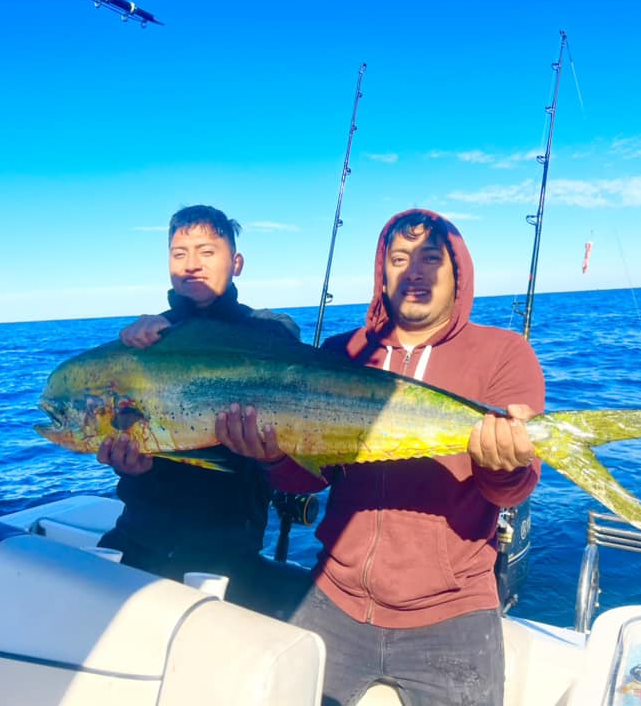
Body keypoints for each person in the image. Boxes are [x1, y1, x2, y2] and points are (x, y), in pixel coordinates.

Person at [219, 208, 545, 705]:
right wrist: (271, 459)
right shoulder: (342, 351)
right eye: (399, 258)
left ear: (457, 272)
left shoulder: (503, 352)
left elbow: (514, 487)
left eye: (430, 258)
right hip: (333, 600)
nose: (414, 271)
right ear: (382, 271)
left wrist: (508, 463)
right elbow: (311, 478)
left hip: (453, 616)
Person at [96, 204, 309, 616]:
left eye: (207, 251)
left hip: (227, 551)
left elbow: (275, 337)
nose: (192, 264)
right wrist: (128, 464)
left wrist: (173, 326)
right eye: (179, 254)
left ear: (237, 263)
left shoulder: (269, 332)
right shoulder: (142, 343)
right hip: (139, 536)